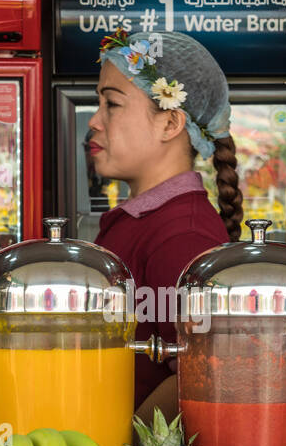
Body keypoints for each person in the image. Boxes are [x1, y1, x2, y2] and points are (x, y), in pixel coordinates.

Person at [88, 28, 242, 424]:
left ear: (171, 124)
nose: (94, 121)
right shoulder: (146, 220)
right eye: (98, 104)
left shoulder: (183, 237)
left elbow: (203, 370)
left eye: (112, 105)